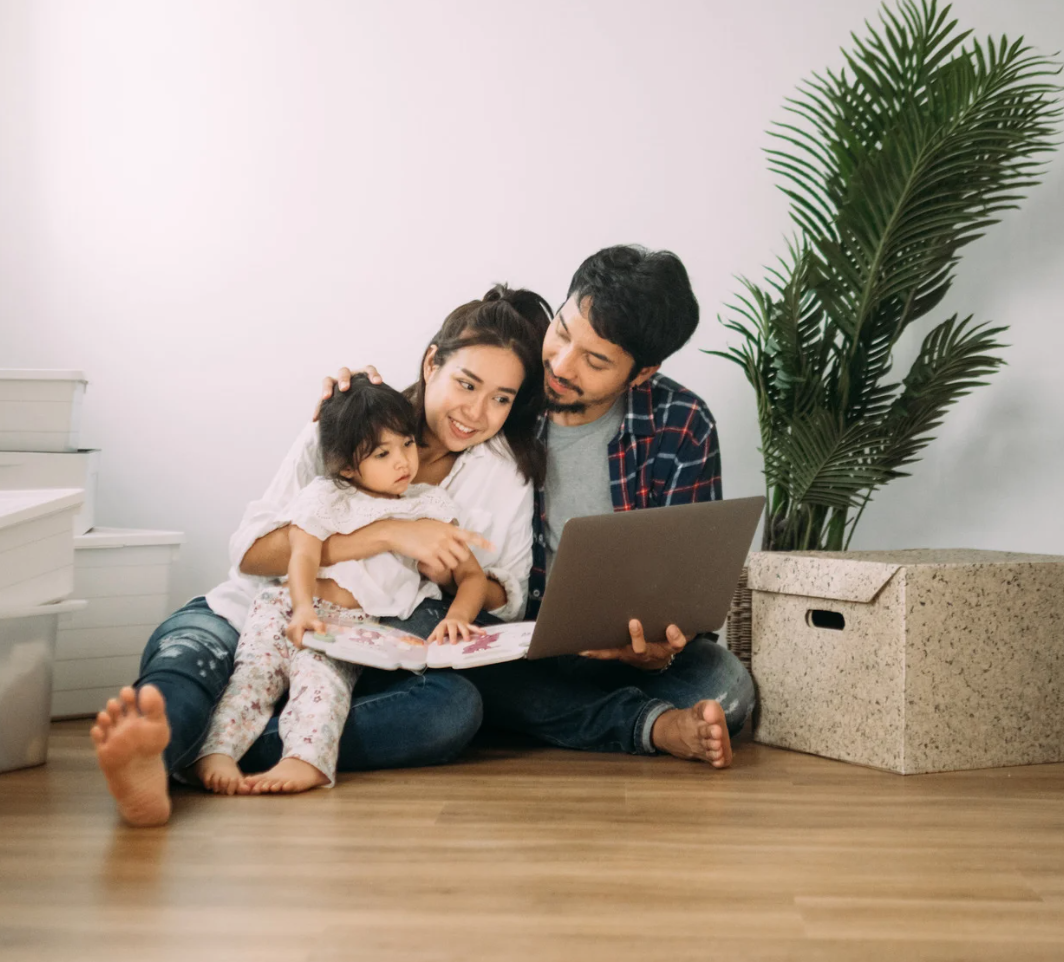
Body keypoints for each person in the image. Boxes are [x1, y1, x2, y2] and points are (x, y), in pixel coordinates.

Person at [91, 286, 551, 826]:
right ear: (432, 363)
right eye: (466, 384)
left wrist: (448, 579)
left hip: (357, 646)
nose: (477, 411)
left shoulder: (500, 473)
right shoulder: (344, 423)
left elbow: (507, 595)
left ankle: (217, 752)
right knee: (190, 663)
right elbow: (254, 554)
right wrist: (388, 536)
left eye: (501, 398)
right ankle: (158, 751)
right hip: (261, 611)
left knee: (452, 710)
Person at [331, 245, 756, 770]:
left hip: (616, 650)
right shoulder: (505, 392)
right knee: (452, 642)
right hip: (505, 637)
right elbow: (422, 414)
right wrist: (347, 402)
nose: (559, 364)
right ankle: (644, 725)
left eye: (595, 361)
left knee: (727, 686)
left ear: (641, 373)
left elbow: (690, 589)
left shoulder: (681, 423)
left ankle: (533, 712)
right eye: (562, 330)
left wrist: (656, 650)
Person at [192, 378, 489, 796]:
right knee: (254, 678)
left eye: (407, 444)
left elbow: (472, 576)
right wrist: (300, 607)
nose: (403, 461)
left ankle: (303, 761)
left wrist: (458, 617)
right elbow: (303, 554)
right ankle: (216, 752)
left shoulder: (429, 506)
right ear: (349, 465)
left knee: (323, 687)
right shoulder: (327, 495)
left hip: (348, 627)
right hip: (285, 607)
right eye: (383, 454)